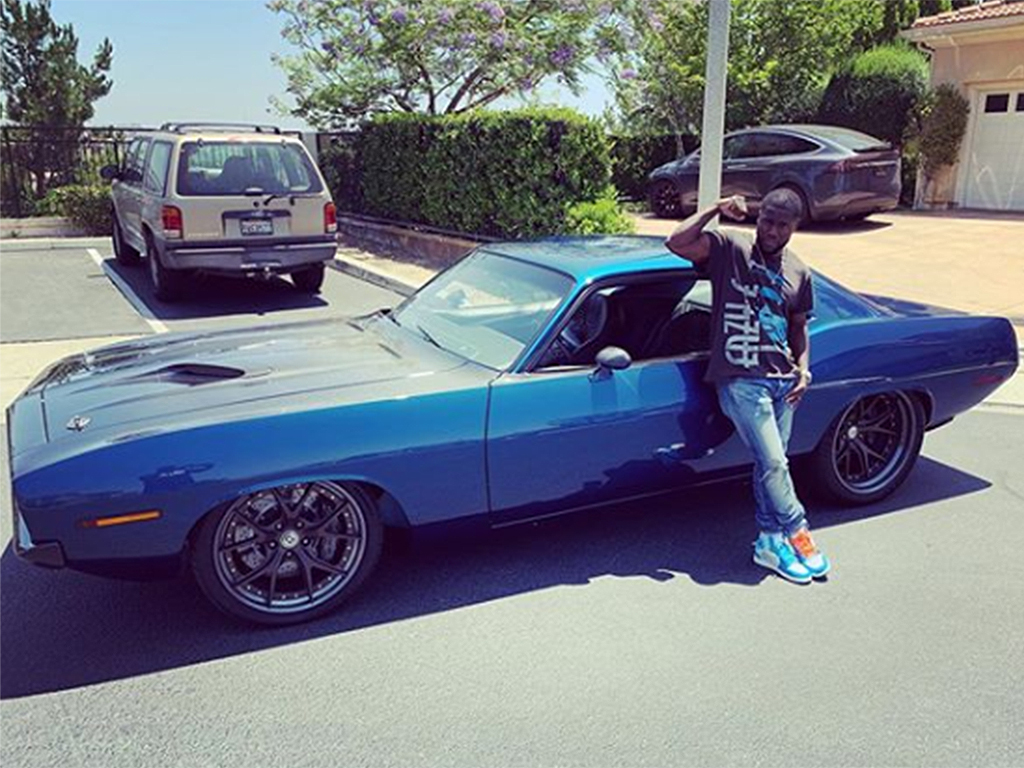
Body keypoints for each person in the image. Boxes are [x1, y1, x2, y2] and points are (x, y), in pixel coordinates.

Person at [664, 188, 830, 584]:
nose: (771, 230)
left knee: (768, 464)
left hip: (784, 383)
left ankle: (768, 543)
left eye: (781, 224)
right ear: (758, 217)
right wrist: (714, 209)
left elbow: (799, 327)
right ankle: (797, 530)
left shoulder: (799, 271)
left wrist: (803, 371)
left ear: (795, 227)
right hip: (740, 380)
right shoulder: (730, 248)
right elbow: (676, 242)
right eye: (766, 220)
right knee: (775, 462)